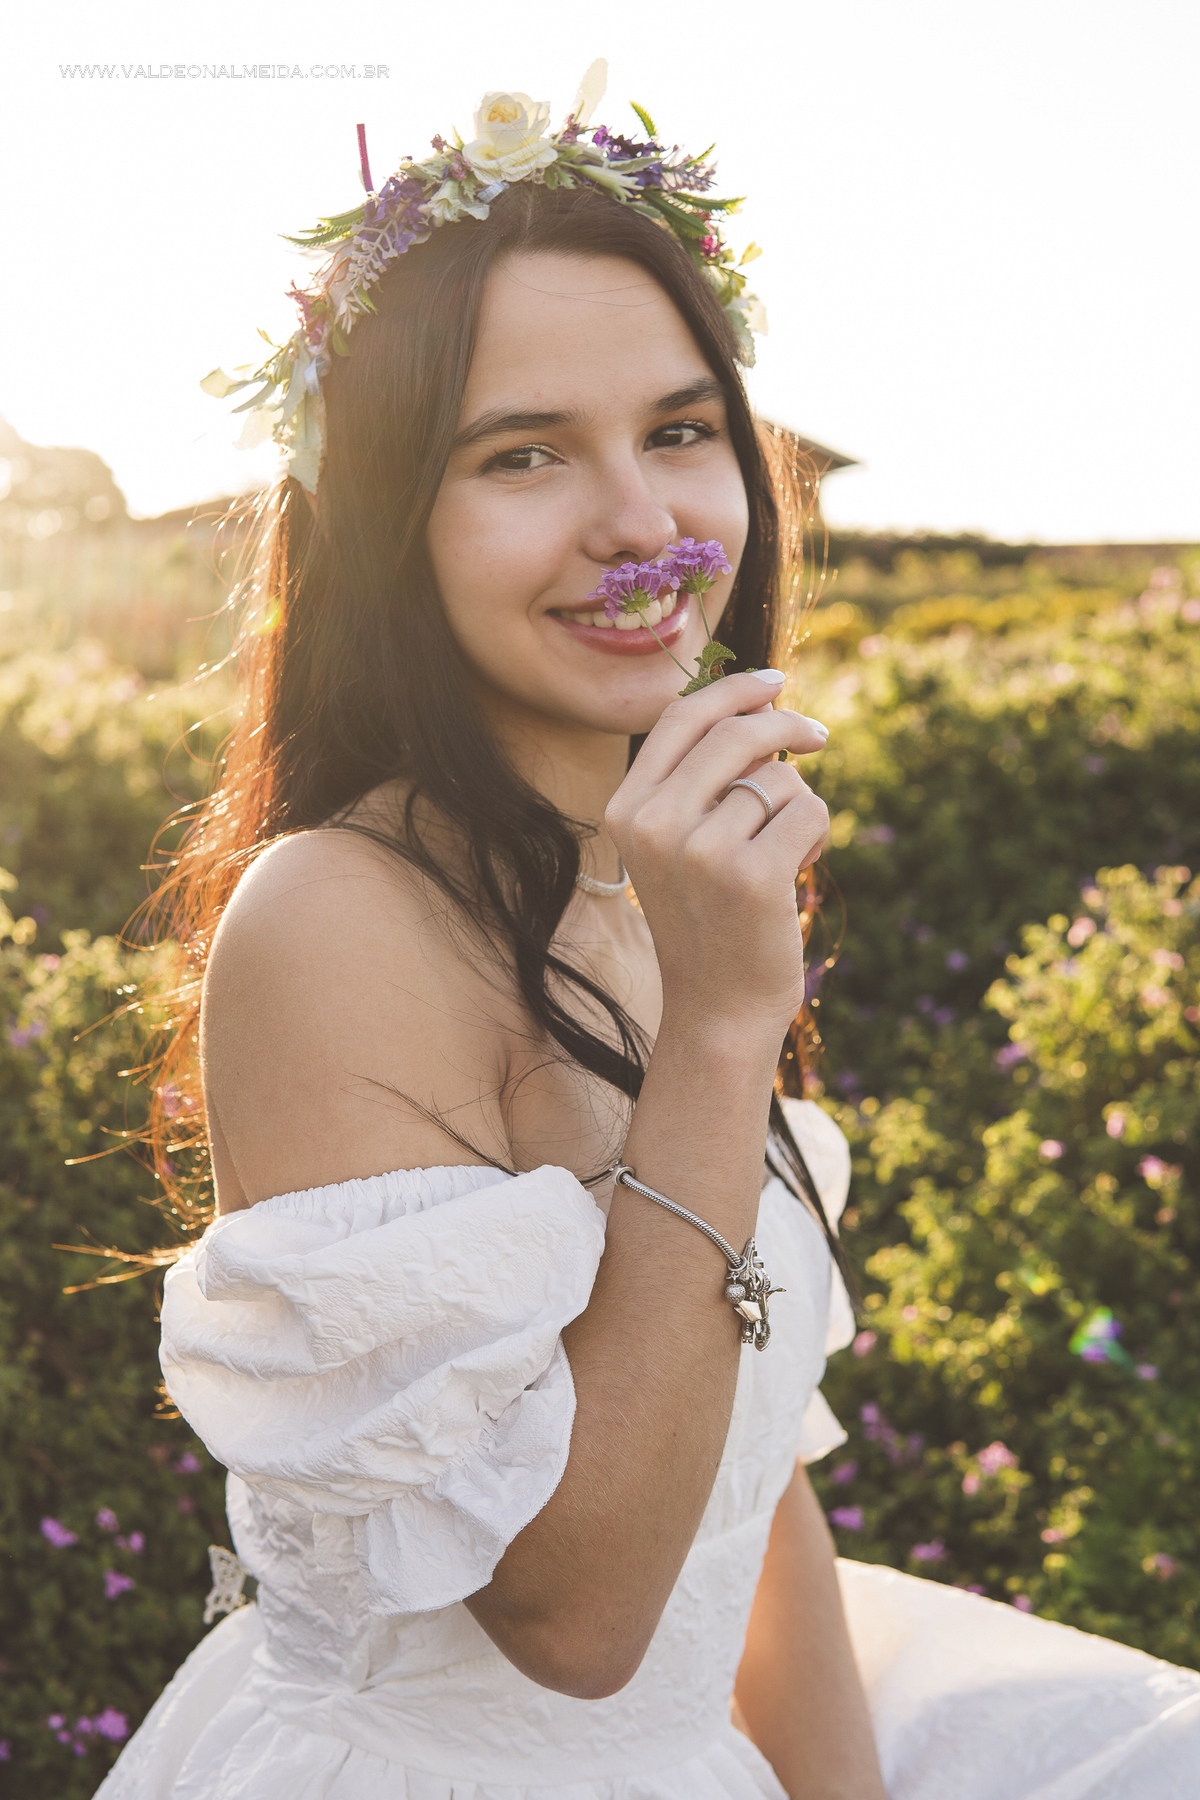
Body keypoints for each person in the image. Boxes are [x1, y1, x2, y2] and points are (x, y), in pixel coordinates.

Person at [97, 67, 1200, 1800]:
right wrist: (719, 1028)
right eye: (523, 454)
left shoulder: (641, 869)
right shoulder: (335, 917)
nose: (643, 523)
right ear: (389, 528)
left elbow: (743, 1489)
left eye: (680, 431)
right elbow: (577, 1615)